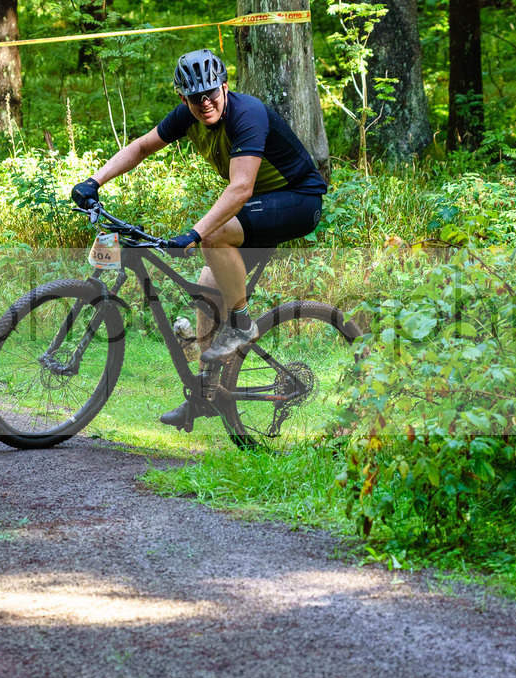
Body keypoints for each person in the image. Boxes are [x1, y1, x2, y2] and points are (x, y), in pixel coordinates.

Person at [71, 48, 327, 428]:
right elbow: (141, 147)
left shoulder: (247, 114)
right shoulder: (187, 116)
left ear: (224, 86)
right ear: (183, 98)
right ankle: (207, 396)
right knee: (208, 291)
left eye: (210, 93)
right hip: (258, 206)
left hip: (299, 200)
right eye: (195, 97)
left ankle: (242, 324)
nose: (204, 102)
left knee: (214, 237)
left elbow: (240, 188)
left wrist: (195, 233)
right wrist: (94, 181)